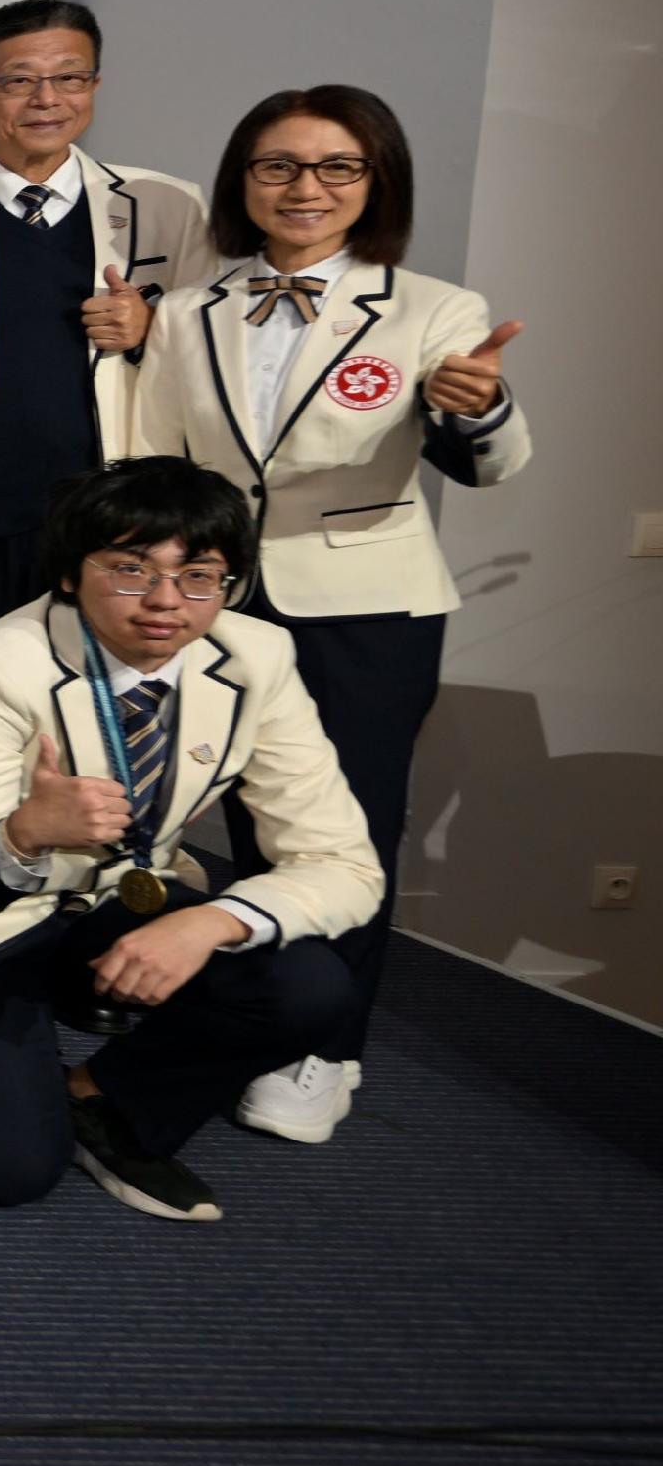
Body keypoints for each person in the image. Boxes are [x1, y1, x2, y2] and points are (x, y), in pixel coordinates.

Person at [133, 83, 529, 1144]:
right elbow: (156, 463)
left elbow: (486, 458)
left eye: (334, 168)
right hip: (213, 601)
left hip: (362, 601)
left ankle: (324, 1047)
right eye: (277, 167)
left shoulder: (432, 310)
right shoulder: (189, 313)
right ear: (242, 182)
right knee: (236, 819)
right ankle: (242, 1007)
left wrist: (478, 408)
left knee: (347, 825)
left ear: (375, 182)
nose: (304, 188)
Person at [0, 458, 377, 1223]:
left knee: (308, 985)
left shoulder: (257, 658)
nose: (164, 602)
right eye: (129, 569)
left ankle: (103, 1101)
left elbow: (346, 864)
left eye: (200, 577)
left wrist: (211, 920)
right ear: (68, 572)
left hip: (125, 902)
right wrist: (25, 833)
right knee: (10, 1172)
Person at [0, 0, 214, 649]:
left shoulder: (165, 205)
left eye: (70, 77)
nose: (47, 98)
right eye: (17, 80)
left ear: (94, 88)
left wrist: (154, 329)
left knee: (88, 718)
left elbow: (215, 364)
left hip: (111, 520)